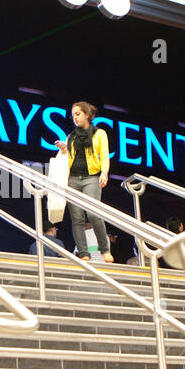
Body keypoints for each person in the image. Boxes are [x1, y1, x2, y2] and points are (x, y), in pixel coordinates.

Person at [53, 101, 113, 263]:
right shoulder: (71, 136)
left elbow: (105, 155)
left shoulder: (99, 133)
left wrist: (104, 173)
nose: (75, 118)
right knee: (77, 218)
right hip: (73, 179)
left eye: (78, 114)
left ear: (87, 114)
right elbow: (69, 158)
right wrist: (64, 149)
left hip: (91, 177)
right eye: (73, 116)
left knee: (93, 214)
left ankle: (105, 249)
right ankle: (83, 253)